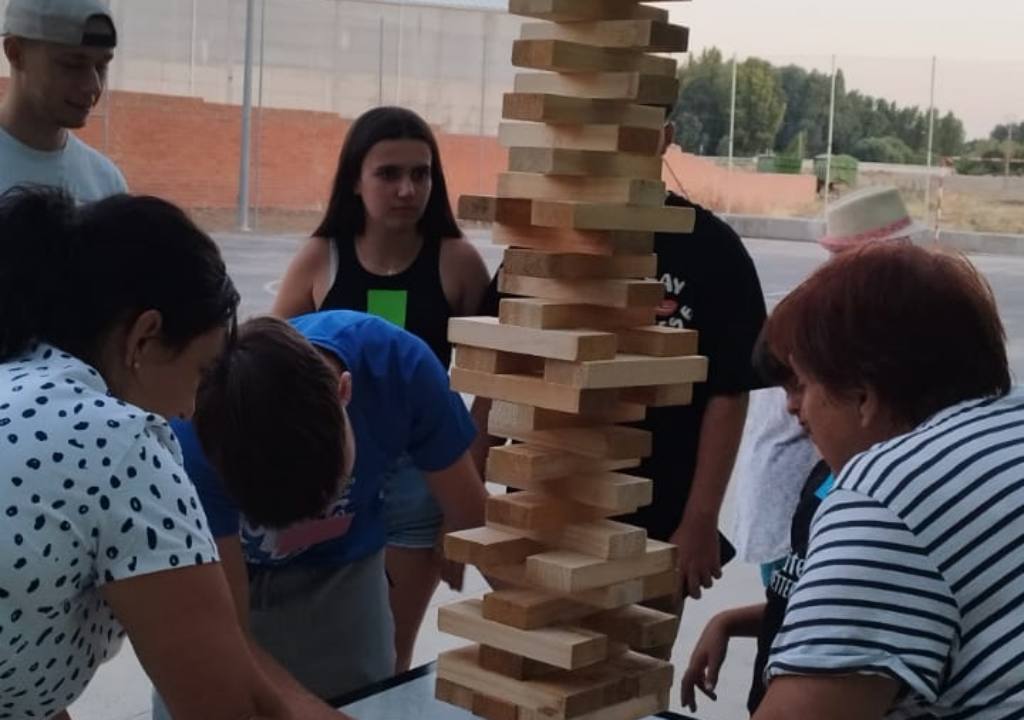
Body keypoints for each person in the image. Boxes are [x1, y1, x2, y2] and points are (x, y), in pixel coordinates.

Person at [0, 187, 342, 720]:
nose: (190, 410)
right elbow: (226, 709)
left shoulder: (18, 385)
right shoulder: (121, 444)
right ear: (145, 338)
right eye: (203, 374)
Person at [476, 107, 766, 648]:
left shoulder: (711, 251)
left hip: (655, 522)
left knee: (627, 683)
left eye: (635, 128)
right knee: (533, 676)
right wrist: (467, 491)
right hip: (543, 510)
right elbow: (499, 374)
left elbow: (728, 394)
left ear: (666, 138)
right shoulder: (545, 243)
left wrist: (700, 520)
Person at [155, 310, 488, 717]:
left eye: (327, 490)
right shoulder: (189, 438)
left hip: (347, 569)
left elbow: (477, 527)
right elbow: (226, 631)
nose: (310, 518)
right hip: (231, 574)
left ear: (344, 392)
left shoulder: (398, 367)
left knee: (364, 700)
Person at [684, 187, 934, 715]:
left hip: (818, 521)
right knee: (793, 607)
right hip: (793, 519)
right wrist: (733, 619)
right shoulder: (834, 324)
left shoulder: (877, 509)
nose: (795, 405)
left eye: (803, 389)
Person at [749, 242, 1019, 718]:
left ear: (861, 395)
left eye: (805, 385)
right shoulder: (1006, 432)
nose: (795, 410)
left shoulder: (884, 493)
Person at [272, 106, 489, 672]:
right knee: (323, 648)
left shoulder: (459, 263)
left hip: (423, 475)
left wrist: (467, 479)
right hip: (331, 476)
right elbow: (264, 367)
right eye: (389, 173)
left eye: (421, 174)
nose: (407, 188)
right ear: (354, 180)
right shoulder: (321, 259)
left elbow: (496, 381)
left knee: (388, 655)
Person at [730, 186, 926, 583]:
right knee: (788, 605)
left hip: (809, 498)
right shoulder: (835, 321)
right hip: (796, 504)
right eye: (899, 249)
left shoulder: (844, 309)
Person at [0, 0, 127, 200]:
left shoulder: (106, 185)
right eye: (73, 65)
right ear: (15, 53)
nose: (94, 86)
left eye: (101, 66)